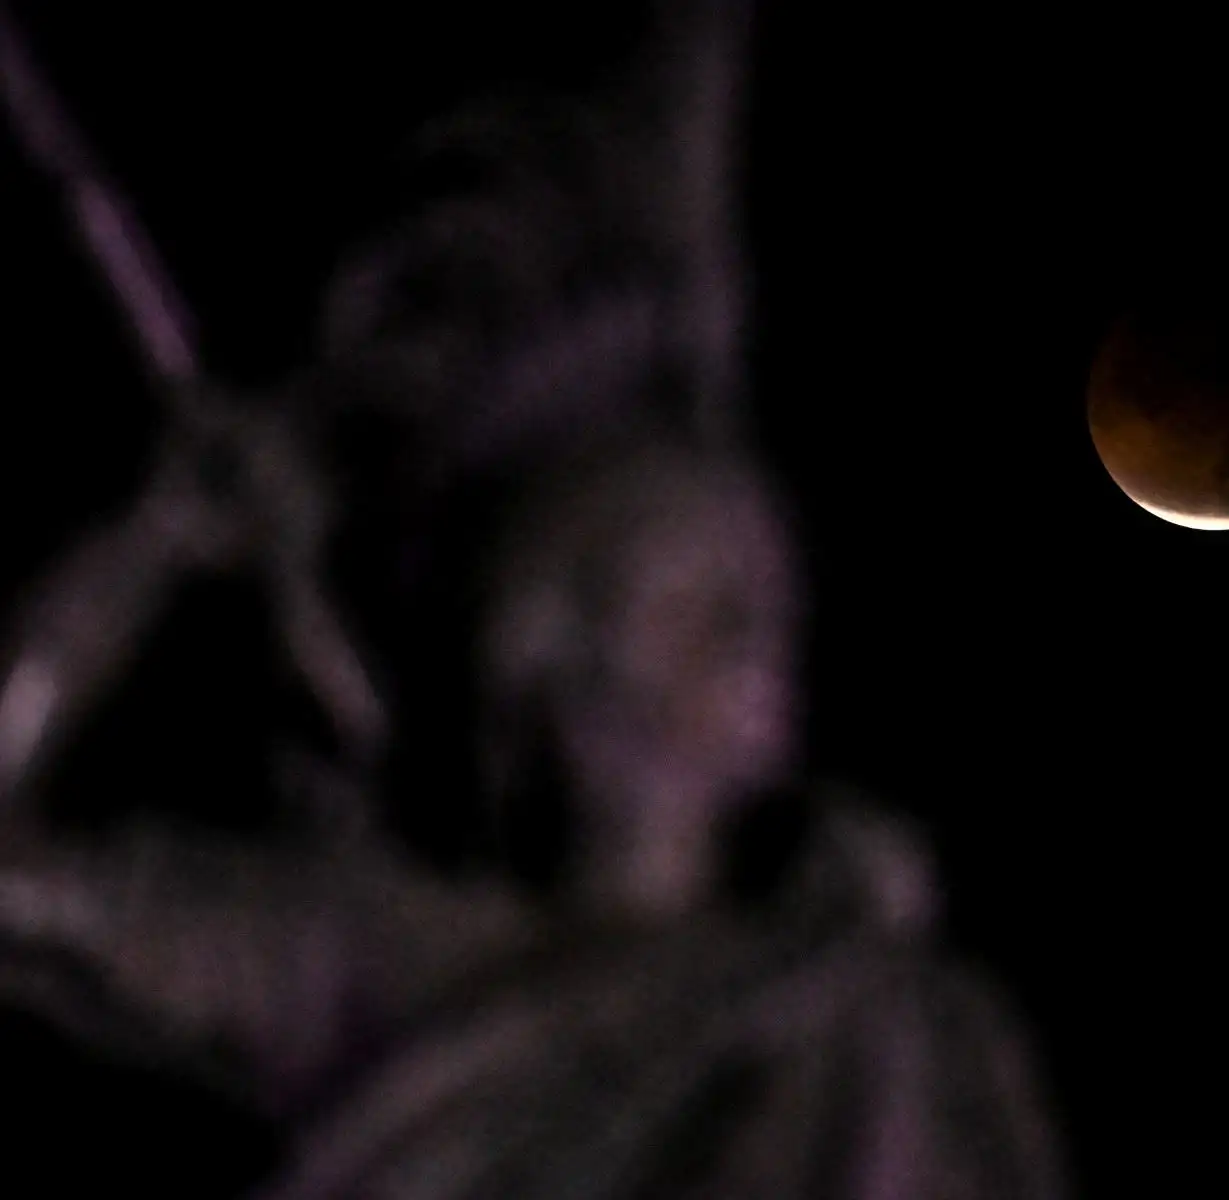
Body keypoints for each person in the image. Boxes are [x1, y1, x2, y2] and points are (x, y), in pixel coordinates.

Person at [0, 2, 1071, 1194]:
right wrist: (152, 547)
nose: (754, 638)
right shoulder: (374, 955)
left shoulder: (877, 1022)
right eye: (699, 598)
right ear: (551, 661)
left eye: (768, 597)